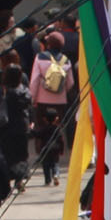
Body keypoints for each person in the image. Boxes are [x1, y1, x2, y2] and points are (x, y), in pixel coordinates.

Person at [25, 28, 75, 185]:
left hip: (42, 100)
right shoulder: (66, 60)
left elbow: (34, 81)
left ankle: (42, 155)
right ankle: (57, 157)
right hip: (60, 102)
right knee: (58, 130)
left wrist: (32, 97)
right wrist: (61, 92)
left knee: (41, 130)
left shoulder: (40, 58)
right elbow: (71, 83)